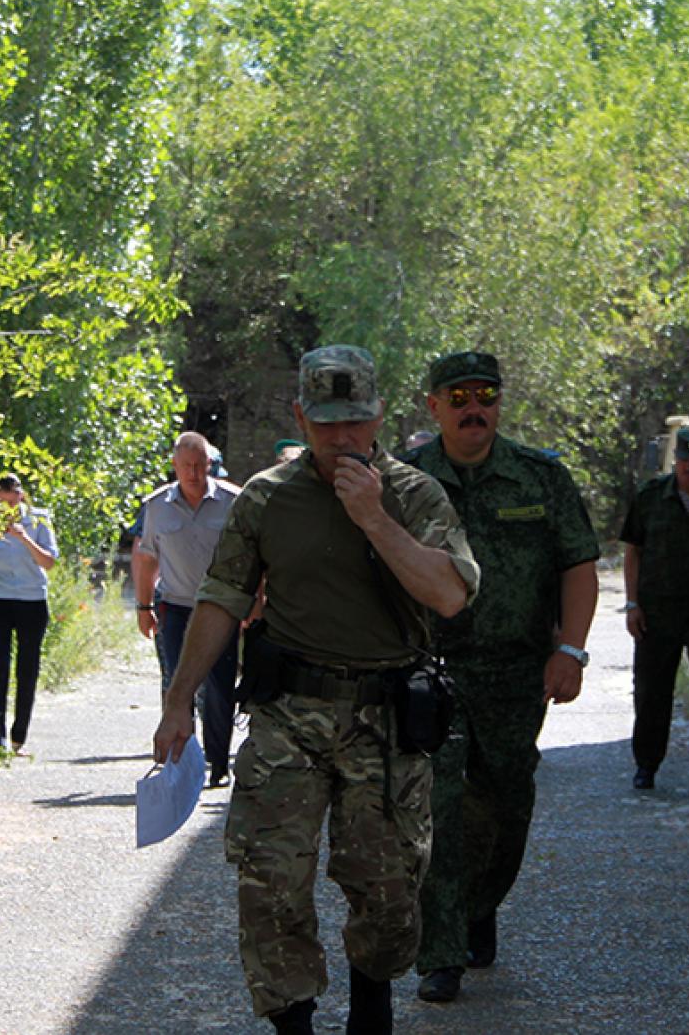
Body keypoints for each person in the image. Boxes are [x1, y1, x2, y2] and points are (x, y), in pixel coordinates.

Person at [152, 345, 479, 1035]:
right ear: (300, 416)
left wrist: (374, 518)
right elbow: (221, 598)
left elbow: (449, 593)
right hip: (289, 714)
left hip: (385, 717)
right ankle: (293, 1023)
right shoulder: (268, 497)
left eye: (354, 423)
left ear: (379, 415)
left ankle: (371, 1010)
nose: (341, 439)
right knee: (268, 881)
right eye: (325, 424)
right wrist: (178, 700)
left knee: (388, 890)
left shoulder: (416, 494)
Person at [403, 351, 600, 1004]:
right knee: (440, 803)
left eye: (485, 395)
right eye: (457, 397)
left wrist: (570, 651)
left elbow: (577, 564)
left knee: (508, 799)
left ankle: (479, 905)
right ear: (433, 406)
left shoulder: (537, 477)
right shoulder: (406, 480)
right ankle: (443, 949)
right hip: (432, 670)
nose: (473, 409)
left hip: (517, 673)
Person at [619, 429, 689, 798]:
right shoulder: (652, 498)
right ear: (675, 460)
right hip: (657, 611)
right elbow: (633, 550)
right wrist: (633, 604)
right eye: (684, 460)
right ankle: (646, 764)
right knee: (652, 691)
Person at [134, 431, 242, 788]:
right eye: (186, 467)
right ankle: (182, 761)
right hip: (175, 606)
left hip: (221, 606)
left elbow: (253, 555)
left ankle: (218, 762)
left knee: (219, 686)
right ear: (175, 466)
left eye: (199, 466)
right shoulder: (156, 507)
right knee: (175, 683)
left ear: (209, 465)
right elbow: (147, 557)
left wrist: (255, 600)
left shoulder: (232, 501)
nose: (193, 474)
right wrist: (143, 605)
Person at [0, 474, 60, 753]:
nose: (5, 508)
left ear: (20, 496)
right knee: (0, 666)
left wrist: (23, 538)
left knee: (27, 666)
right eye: (0, 503)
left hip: (31, 599)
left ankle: (20, 731)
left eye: (10, 501)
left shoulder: (39, 520)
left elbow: (49, 561)